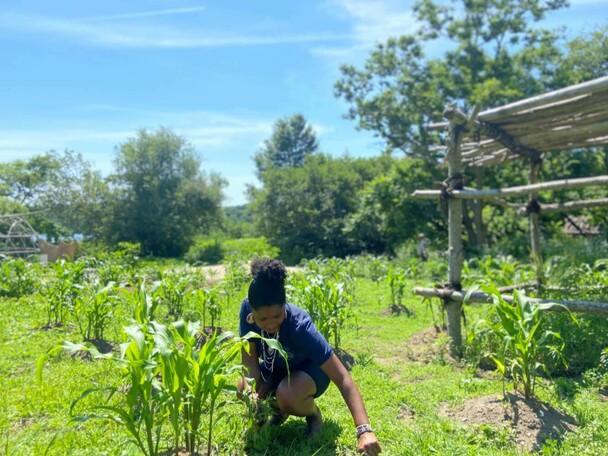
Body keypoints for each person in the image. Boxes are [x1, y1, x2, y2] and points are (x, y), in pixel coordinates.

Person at [238, 258, 381, 455]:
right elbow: (249, 362)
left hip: (310, 372)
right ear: (252, 311)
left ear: (284, 306)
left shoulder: (300, 326)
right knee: (241, 386)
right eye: (263, 319)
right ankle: (277, 411)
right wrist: (252, 392)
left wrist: (364, 431)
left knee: (288, 394)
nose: (270, 324)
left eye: (277, 316)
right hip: (278, 368)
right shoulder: (246, 309)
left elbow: (343, 378)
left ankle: (313, 414)